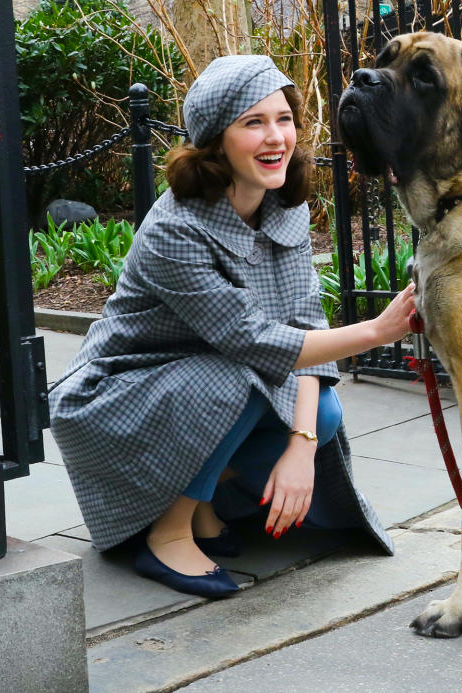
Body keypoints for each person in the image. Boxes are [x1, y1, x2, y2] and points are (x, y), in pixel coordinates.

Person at [48, 55, 416, 598]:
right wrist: (376, 331)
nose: (276, 138)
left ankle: (203, 503)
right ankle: (166, 533)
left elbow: (301, 325)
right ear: (215, 140)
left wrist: (301, 444)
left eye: (284, 119)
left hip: (212, 377)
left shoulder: (282, 207)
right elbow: (252, 341)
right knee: (238, 381)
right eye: (253, 123)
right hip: (120, 389)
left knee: (325, 411)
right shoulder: (177, 226)